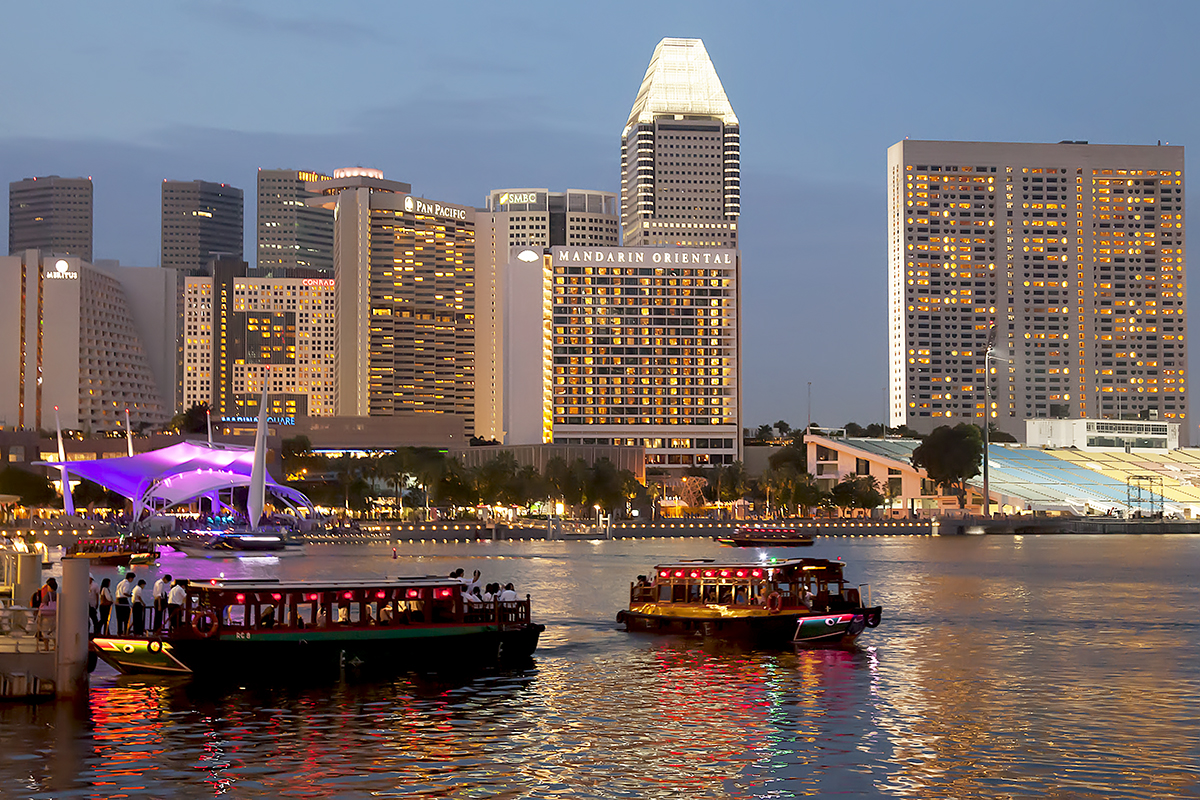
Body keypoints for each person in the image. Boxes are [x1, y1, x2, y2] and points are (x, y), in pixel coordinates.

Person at [35, 578, 58, 642]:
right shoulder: (57, 595)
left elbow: (42, 605)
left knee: (44, 632)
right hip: (54, 615)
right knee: (54, 632)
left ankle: (46, 647)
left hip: (46, 616)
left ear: (49, 586)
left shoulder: (47, 595)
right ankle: (55, 646)